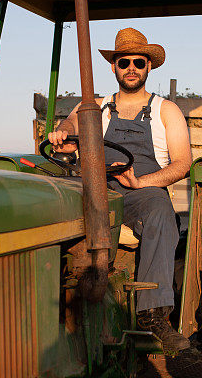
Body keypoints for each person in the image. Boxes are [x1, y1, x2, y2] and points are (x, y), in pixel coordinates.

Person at [48, 27, 192, 353]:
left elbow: (183, 162)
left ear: (148, 67)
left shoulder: (164, 110)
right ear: (113, 66)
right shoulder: (95, 106)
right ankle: (51, 296)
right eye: (123, 61)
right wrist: (62, 131)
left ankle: (153, 313)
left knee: (160, 211)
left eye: (138, 62)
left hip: (143, 189)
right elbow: (71, 124)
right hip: (99, 185)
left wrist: (143, 182)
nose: (131, 68)